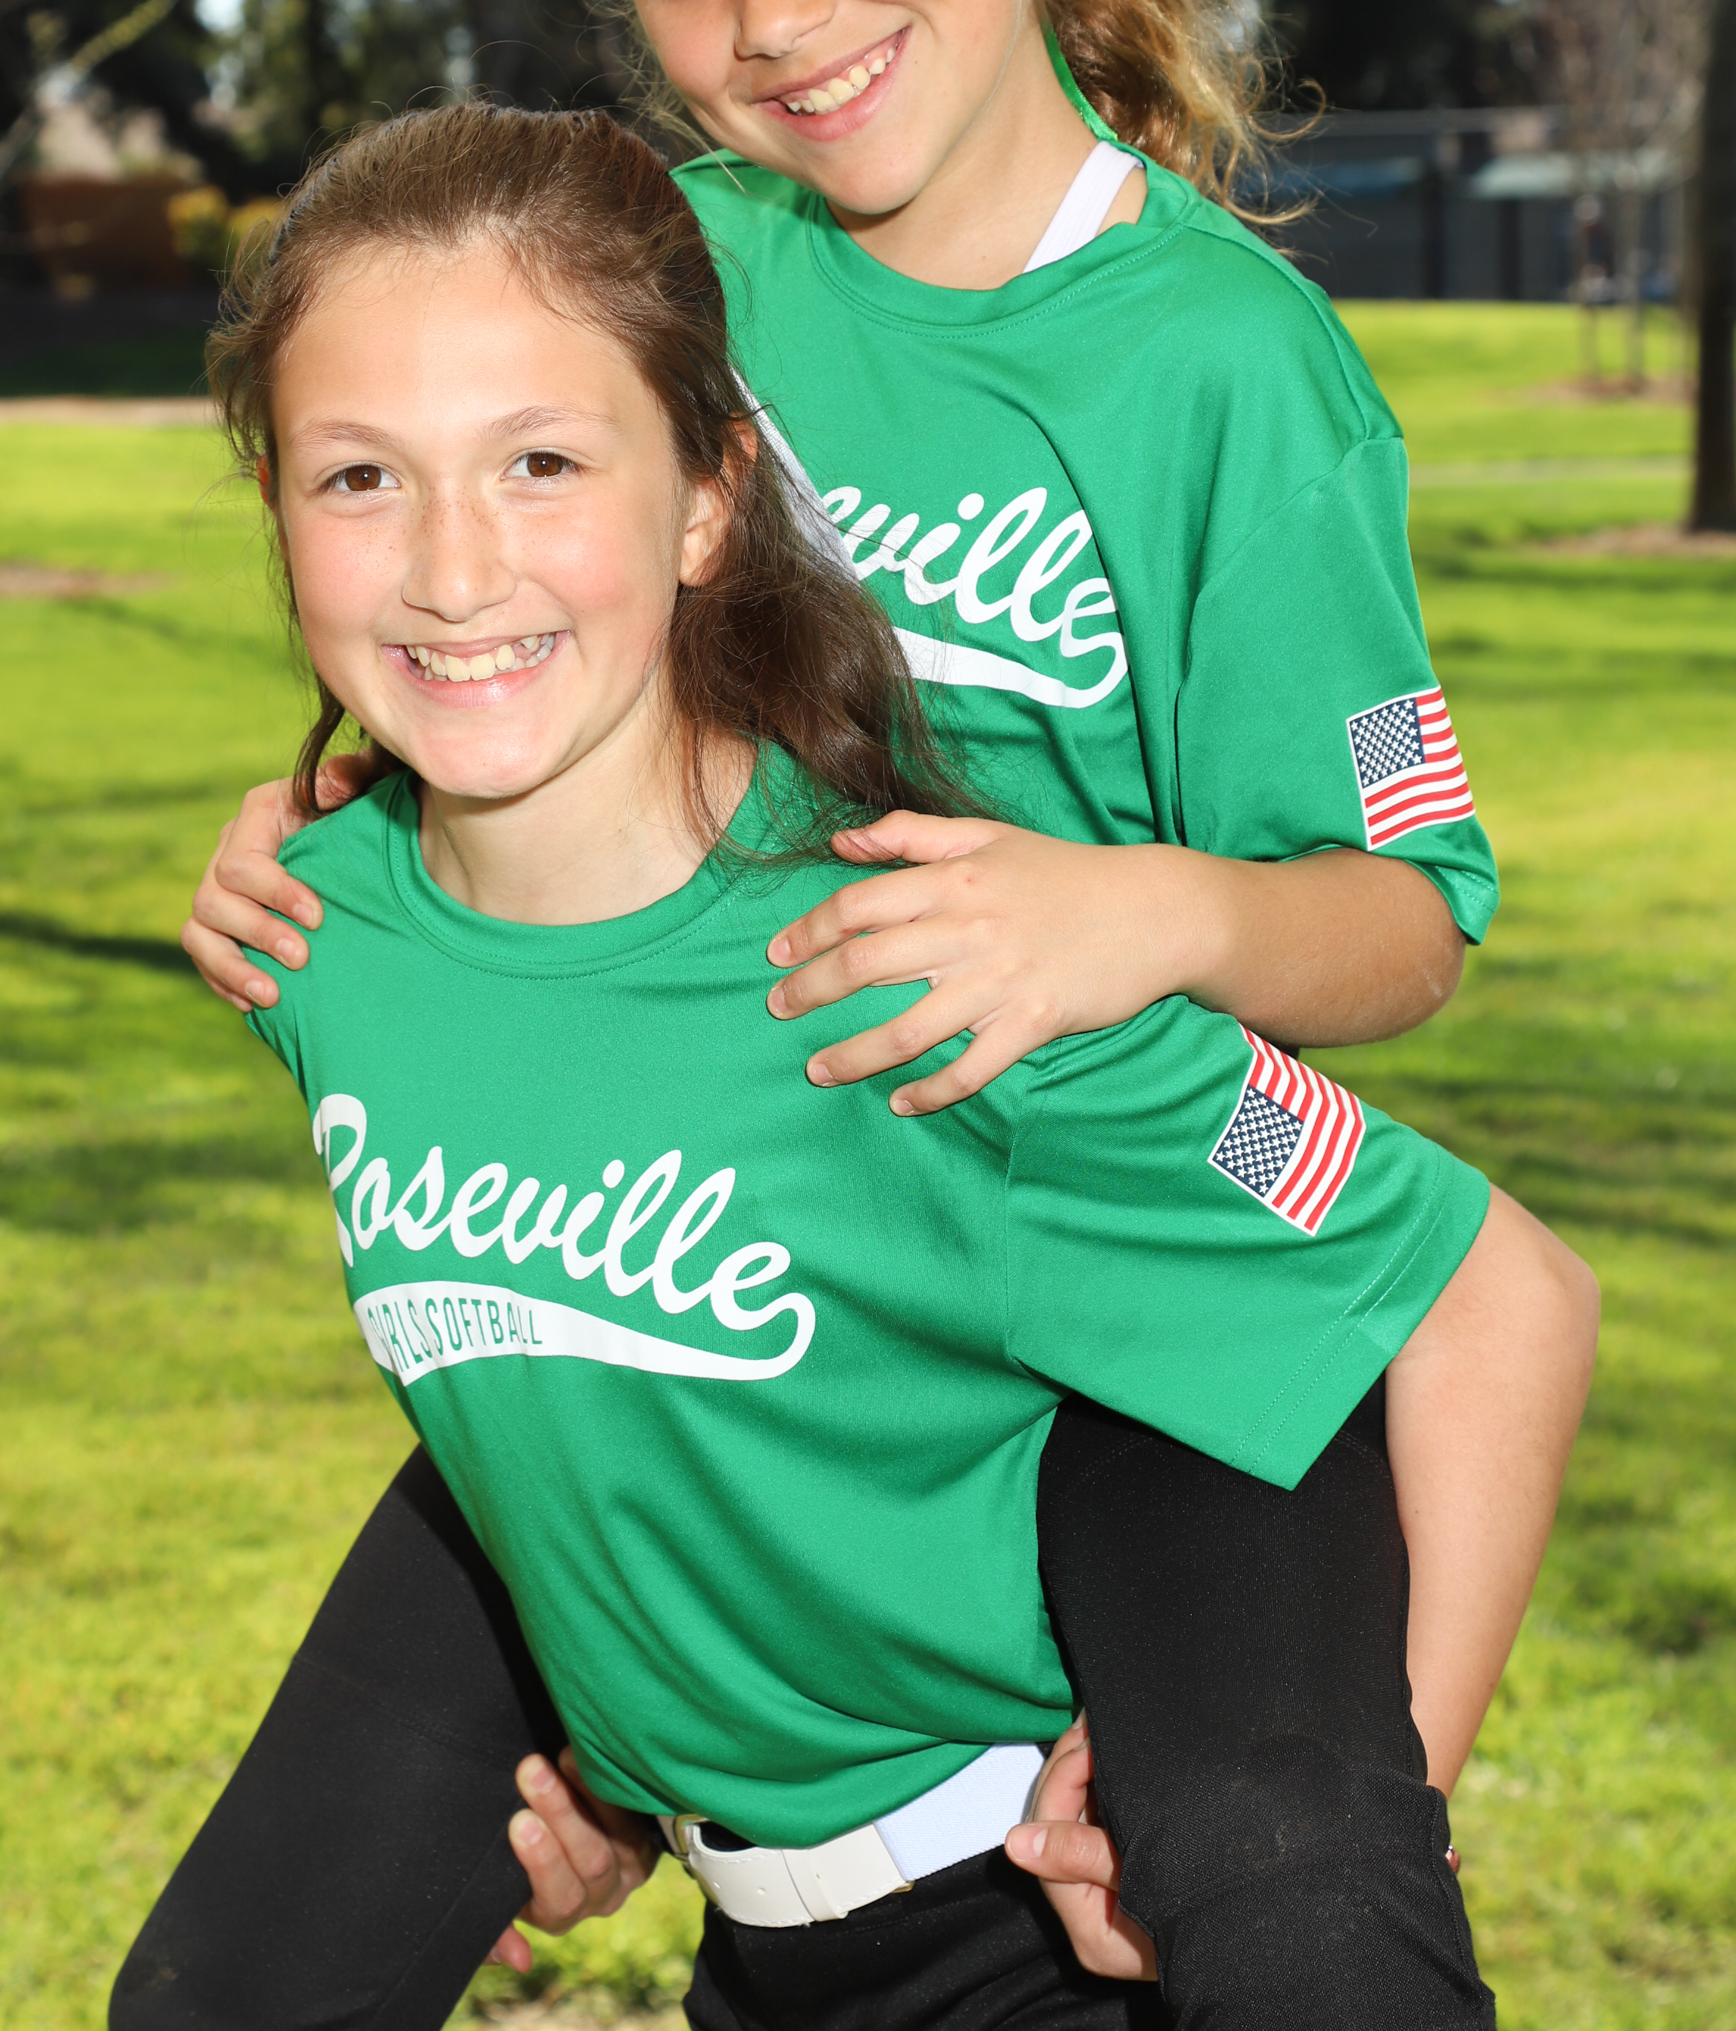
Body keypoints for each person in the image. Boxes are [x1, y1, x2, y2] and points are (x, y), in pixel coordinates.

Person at [118, 103, 1597, 2031]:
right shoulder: (319, 943)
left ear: (708, 499)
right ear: (272, 504)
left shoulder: (921, 974)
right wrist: (615, 1739)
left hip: (1047, 1940)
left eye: (541, 462)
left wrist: (1363, 1807)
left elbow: (1498, 1292)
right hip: (766, 1956)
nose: (452, 568)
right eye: (358, 478)